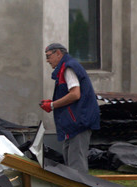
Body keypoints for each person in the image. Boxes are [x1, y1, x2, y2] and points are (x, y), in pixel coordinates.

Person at [40, 42, 100, 173]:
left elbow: (74, 94)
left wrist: (52, 105)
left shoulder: (68, 68)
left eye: (48, 56)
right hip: (74, 122)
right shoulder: (65, 68)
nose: (47, 60)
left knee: (76, 163)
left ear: (58, 53)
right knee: (69, 157)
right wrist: (54, 102)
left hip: (78, 122)